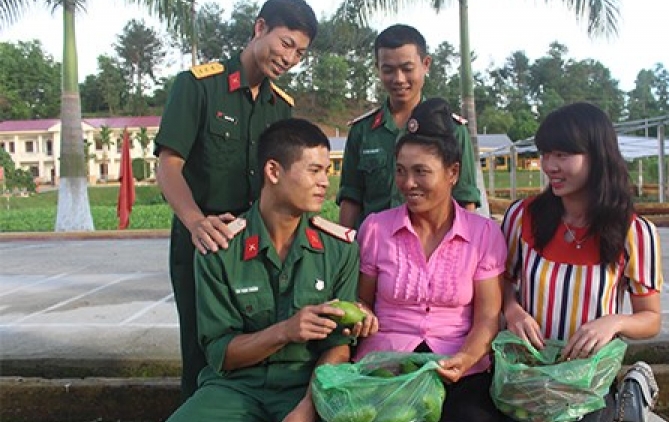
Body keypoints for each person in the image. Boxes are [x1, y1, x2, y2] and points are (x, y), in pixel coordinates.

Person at [153, 0, 317, 399]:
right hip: (203, 240)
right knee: (200, 348)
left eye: (300, 53)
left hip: (255, 245)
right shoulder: (198, 86)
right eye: (286, 44)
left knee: (254, 345)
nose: (290, 58)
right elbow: (168, 164)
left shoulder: (283, 107)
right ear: (260, 27)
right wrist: (195, 222)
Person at [166, 118, 360, 422]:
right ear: (273, 171)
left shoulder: (339, 250)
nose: (325, 182)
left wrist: (307, 407)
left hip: (309, 385)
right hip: (236, 388)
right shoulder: (221, 248)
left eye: (327, 171)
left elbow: (338, 347)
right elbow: (221, 353)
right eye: (314, 171)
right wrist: (285, 331)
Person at [500, 102, 663, 421]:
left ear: (598, 156)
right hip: (527, 373)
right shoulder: (523, 217)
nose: (549, 166)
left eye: (562, 155)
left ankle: (630, 396)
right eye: (546, 154)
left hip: (589, 380)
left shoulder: (635, 232)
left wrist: (615, 321)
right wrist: (511, 309)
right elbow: (502, 281)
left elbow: (651, 318)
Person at [354, 98, 509, 422]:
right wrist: (360, 317)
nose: (408, 183)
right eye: (400, 171)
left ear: (453, 172)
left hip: (457, 368)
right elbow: (361, 302)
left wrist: (465, 359)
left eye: (421, 172)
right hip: (386, 368)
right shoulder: (375, 229)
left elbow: (487, 317)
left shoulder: (483, 234)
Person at [337, 24, 480, 230]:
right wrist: (345, 250)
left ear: (426, 64)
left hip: (431, 250)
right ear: (377, 68)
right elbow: (351, 197)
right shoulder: (363, 130)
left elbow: (465, 198)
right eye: (388, 70)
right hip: (374, 249)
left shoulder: (452, 129)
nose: (399, 79)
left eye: (407, 68)